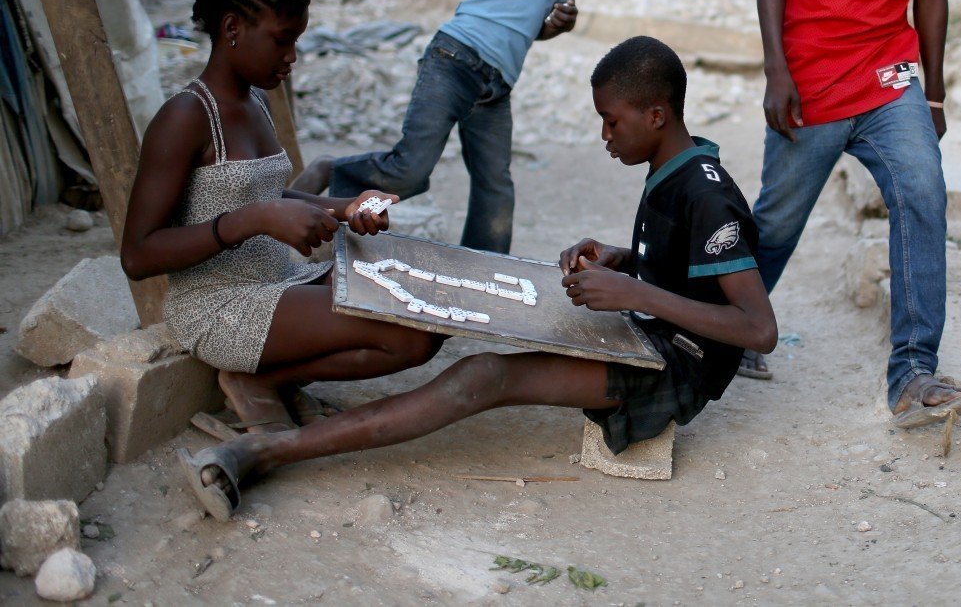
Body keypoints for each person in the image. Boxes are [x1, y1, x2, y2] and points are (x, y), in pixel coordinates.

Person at [176, 36, 778, 522]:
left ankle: (264, 449)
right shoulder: (672, 169)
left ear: (656, 114)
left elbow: (758, 328)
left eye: (612, 122)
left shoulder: (707, 193)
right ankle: (267, 389)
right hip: (648, 329)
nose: (604, 136)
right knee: (473, 311)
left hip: (673, 369)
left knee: (484, 375)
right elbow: (687, 271)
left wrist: (636, 294)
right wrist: (623, 259)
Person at [121, 0, 442, 435]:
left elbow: (271, 194)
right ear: (232, 30)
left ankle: (272, 378)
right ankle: (257, 379)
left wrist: (344, 207)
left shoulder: (256, 100)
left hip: (281, 284)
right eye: (282, 40)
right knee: (408, 331)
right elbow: (138, 254)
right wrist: (250, 221)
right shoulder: (185, 117)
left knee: (425, 308)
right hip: (221, 306)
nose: (292, 57)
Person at [748, 0, 961, 426]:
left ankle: (912, 374)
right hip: (810, 81)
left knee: (924, 192)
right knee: (776, 223)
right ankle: (728, 330)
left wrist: (934, 95)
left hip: (888, 75)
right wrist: (776, 69)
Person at [290, 0, 608, 255]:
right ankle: (332, 171)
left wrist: (558, 26)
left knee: (496, 189)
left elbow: (531, 26)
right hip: (454, 59)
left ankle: (482, 271)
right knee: (410, 171)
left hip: (496, 87)